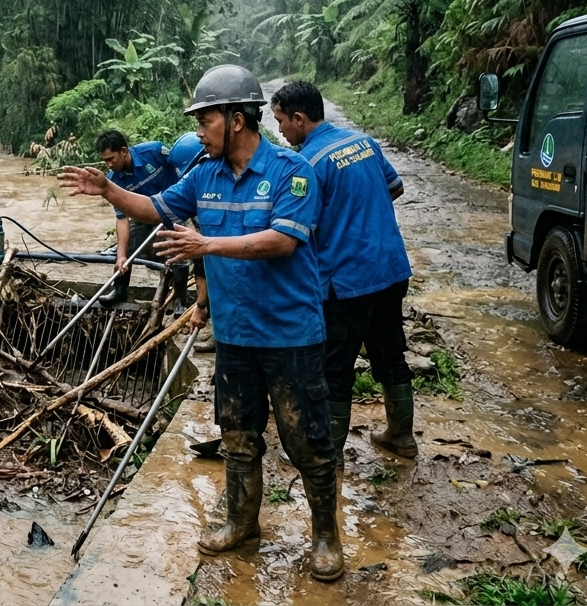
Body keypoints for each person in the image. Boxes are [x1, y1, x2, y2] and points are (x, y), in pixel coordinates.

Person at [59, 65, 344, 582]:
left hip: (290, 334)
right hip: (235, 335)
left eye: (206, 119)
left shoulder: (291, 171)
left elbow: (283, 240)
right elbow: (153, 206)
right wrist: (108, 191)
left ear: (237, 119)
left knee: (307, 440)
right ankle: (241, 521)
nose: (198, 130)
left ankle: (326, 536)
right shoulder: (203, 173)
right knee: (237, 434)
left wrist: (205, 245)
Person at [270, 80, 417, 461]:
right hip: (389, 269)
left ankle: (328, 452)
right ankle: (402, 436)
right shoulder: (364, 143)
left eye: (281, 121)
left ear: (299, 119)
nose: (281, 131)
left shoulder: (307, 164)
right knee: (390, 355)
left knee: (335, 368)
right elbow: (394, 188)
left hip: (346, 282)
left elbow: (299, 227)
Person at [93, 129, 182, 306]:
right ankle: (119, 290)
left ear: (124, 151)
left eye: (111, 159)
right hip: (143, 215)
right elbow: (122, 219)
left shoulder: (155, 151)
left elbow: (181, 166)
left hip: (174, 208)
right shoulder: (114, 182)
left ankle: (179, 298)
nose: (109, 165)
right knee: (125, 246)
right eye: (105, 161)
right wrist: (121, 255)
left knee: (177, 249)